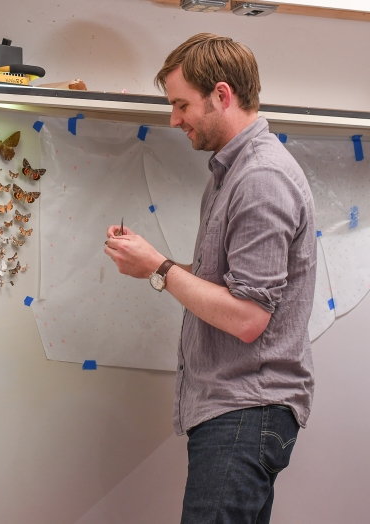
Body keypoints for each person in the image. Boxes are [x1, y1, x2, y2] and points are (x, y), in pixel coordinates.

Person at [103, 33, 316, 523]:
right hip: (239, 414)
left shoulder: (261, 178)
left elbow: (246, 318)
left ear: (222, 95)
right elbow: (230, 291)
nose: (174, 119)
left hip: (245, 412)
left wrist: (157, 267)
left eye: (181, 104)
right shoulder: (230, 174)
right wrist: (150, 262)